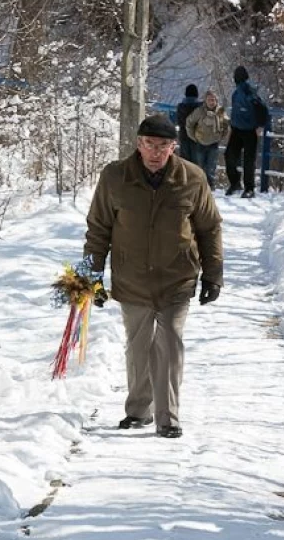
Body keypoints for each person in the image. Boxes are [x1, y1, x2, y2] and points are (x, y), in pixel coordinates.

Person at [80, 114, 223, 439]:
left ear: (174, 146)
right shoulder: (116, 177)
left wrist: (213, 275)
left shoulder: (192, 178)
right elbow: (98, 228)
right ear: (138, 144)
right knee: (139, 345)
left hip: (177, 276)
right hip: (132, 277)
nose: (155, 152)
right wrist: (91, 275)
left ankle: (168, 418)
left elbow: (209, 227)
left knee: (169, 342)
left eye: (163, 146)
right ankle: (138, 411)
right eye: (149, 144)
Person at [225, 66, 266, 198]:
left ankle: (242, 185)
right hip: (241, 129)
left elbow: (261, 108)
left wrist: (259, 125)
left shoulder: (245, 91)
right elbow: (262, 109)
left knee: (233, 157)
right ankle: (245, 187)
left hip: (246, 129)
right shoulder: (240, 92)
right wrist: (260, 124)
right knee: (246, 160)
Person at [186, 89, 229, 190]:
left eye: (213, 100)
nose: (211, 102)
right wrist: (193, 137)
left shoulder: (220, 111)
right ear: (205, 100)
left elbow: (226, 124)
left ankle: (210, 186)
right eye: (209, 99)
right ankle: (200, 186)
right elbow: (189, 123)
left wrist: (221, 136)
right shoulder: (199, 111)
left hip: (214, 143)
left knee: (211, 166)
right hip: (200, 142)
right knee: (200, 166)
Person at [175, 84, 203, 164]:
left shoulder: (181, 107)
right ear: (196, 94)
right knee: (197, 163)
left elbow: (179, 121)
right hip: (197, 138)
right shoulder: (201, 107)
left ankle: (185, 176)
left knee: (184, 162)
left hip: (184, 136)